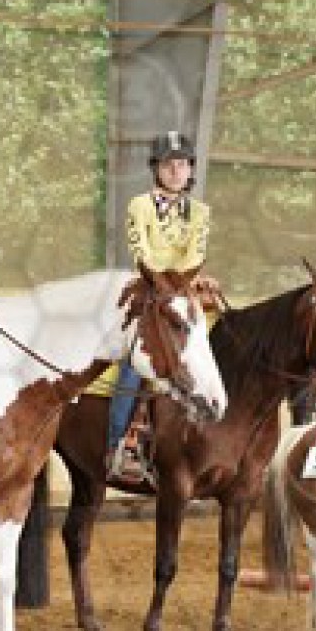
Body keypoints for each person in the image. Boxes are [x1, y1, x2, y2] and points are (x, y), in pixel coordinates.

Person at [108, 129, 217, 482]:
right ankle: (119, 442)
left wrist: (182, 284)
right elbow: (141, 250)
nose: (175, 171)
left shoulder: (200, 213)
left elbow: (196, 254)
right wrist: (165, 282)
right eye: (169, 164)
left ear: (190, 169)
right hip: (149, 289)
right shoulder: (138, 206)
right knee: (134, 361)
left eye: (182, 164)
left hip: (182, 291)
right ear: (156, 168)